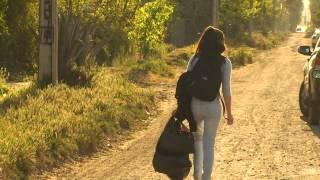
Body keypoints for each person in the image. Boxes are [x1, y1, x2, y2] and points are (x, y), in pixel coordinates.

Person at [186, 26, 233, 180]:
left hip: (195, 105)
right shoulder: (225, 62)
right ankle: (206, 177)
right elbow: (226, 90)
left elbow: (186, 82)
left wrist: (182, 107)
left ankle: (196, 176)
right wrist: (230, 113)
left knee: (197, 140)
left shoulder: (195, 59)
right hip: (213, 106)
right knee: (209, 143)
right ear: (220, 43)